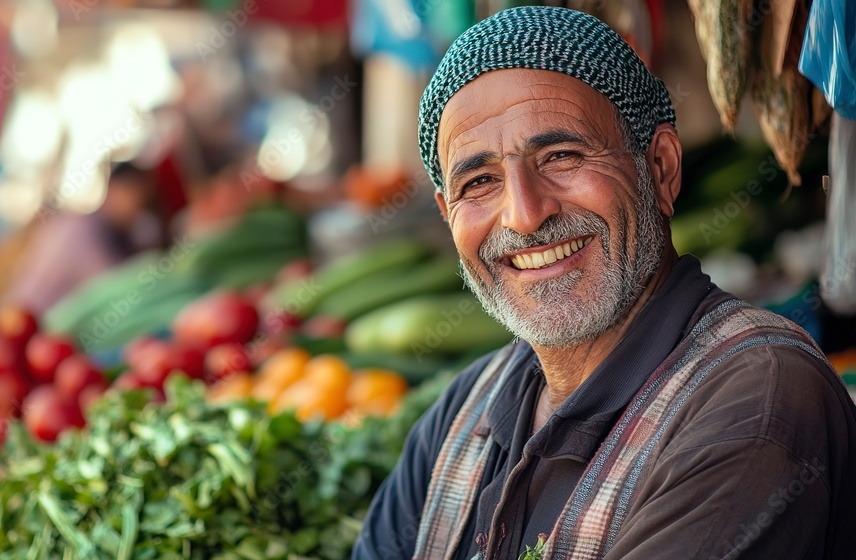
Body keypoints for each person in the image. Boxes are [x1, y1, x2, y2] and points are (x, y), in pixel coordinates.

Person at [354, 7, 856, 560]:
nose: (524, 214)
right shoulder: (463, 413)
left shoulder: (758, 398)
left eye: (562, 155)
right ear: (449, 216)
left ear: (661, 168)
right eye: (480, 181)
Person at [4, 162, 159, 314]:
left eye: (143, 202)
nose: (137, 209)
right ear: (112, 187)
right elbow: (110, 285)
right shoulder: (82, 231)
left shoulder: (105, 231)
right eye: (133, 195)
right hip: (24, 321)